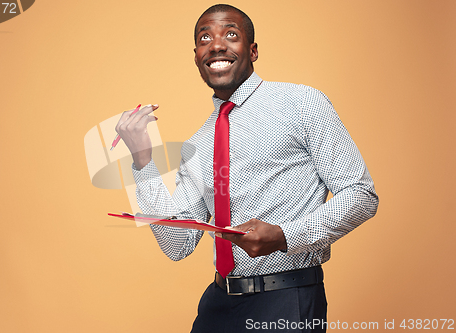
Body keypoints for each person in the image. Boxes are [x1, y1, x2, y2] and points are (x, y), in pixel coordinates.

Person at [115, 4, 378, 333]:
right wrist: (142, 161)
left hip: (287, 298)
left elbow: (362, 195)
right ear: (197, 57)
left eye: (231, 35)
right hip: (219, 304)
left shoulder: (301, 103)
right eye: (205, 38)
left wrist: (285, 236)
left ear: (252, 51)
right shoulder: (197, 145)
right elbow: (176, 245)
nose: (216, 45)